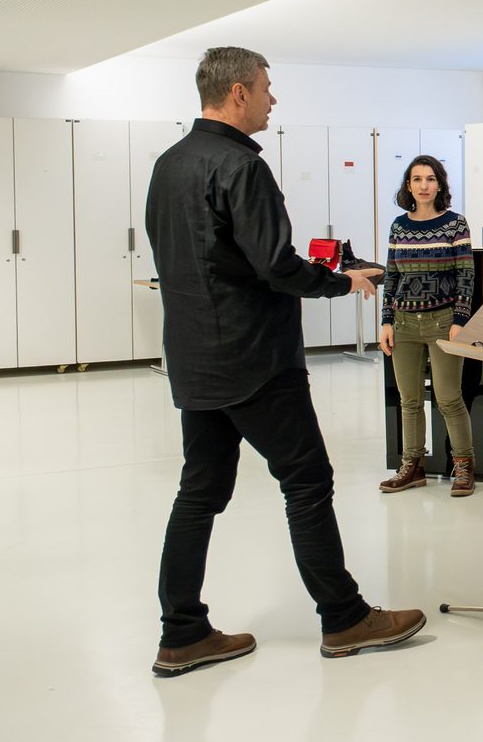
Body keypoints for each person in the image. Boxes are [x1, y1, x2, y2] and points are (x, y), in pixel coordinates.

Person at [148, 46, 425, 677]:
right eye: (267, 88)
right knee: (307, 482)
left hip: (195, 362)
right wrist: (344, 281)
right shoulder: (241, 168)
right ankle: (345, 618)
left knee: (200, 491)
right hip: (254, 360)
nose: (274, 99)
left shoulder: (169, 164)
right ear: (239, 93)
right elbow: (274, 265)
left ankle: (182, 632)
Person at [377, 154, 476, 498]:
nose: (423, 185)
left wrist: (460, 319)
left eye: (430, 179)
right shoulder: (398, 226)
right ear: (408, 185)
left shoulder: (455, 224)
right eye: (417, 179)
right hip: (403, 323)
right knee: (410, 400)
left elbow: (466, 274)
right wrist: (386, 321)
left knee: (449, 398)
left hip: (443, 321)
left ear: (440, 185)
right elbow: (391, 276)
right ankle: (412, 465)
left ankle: (463, 465)